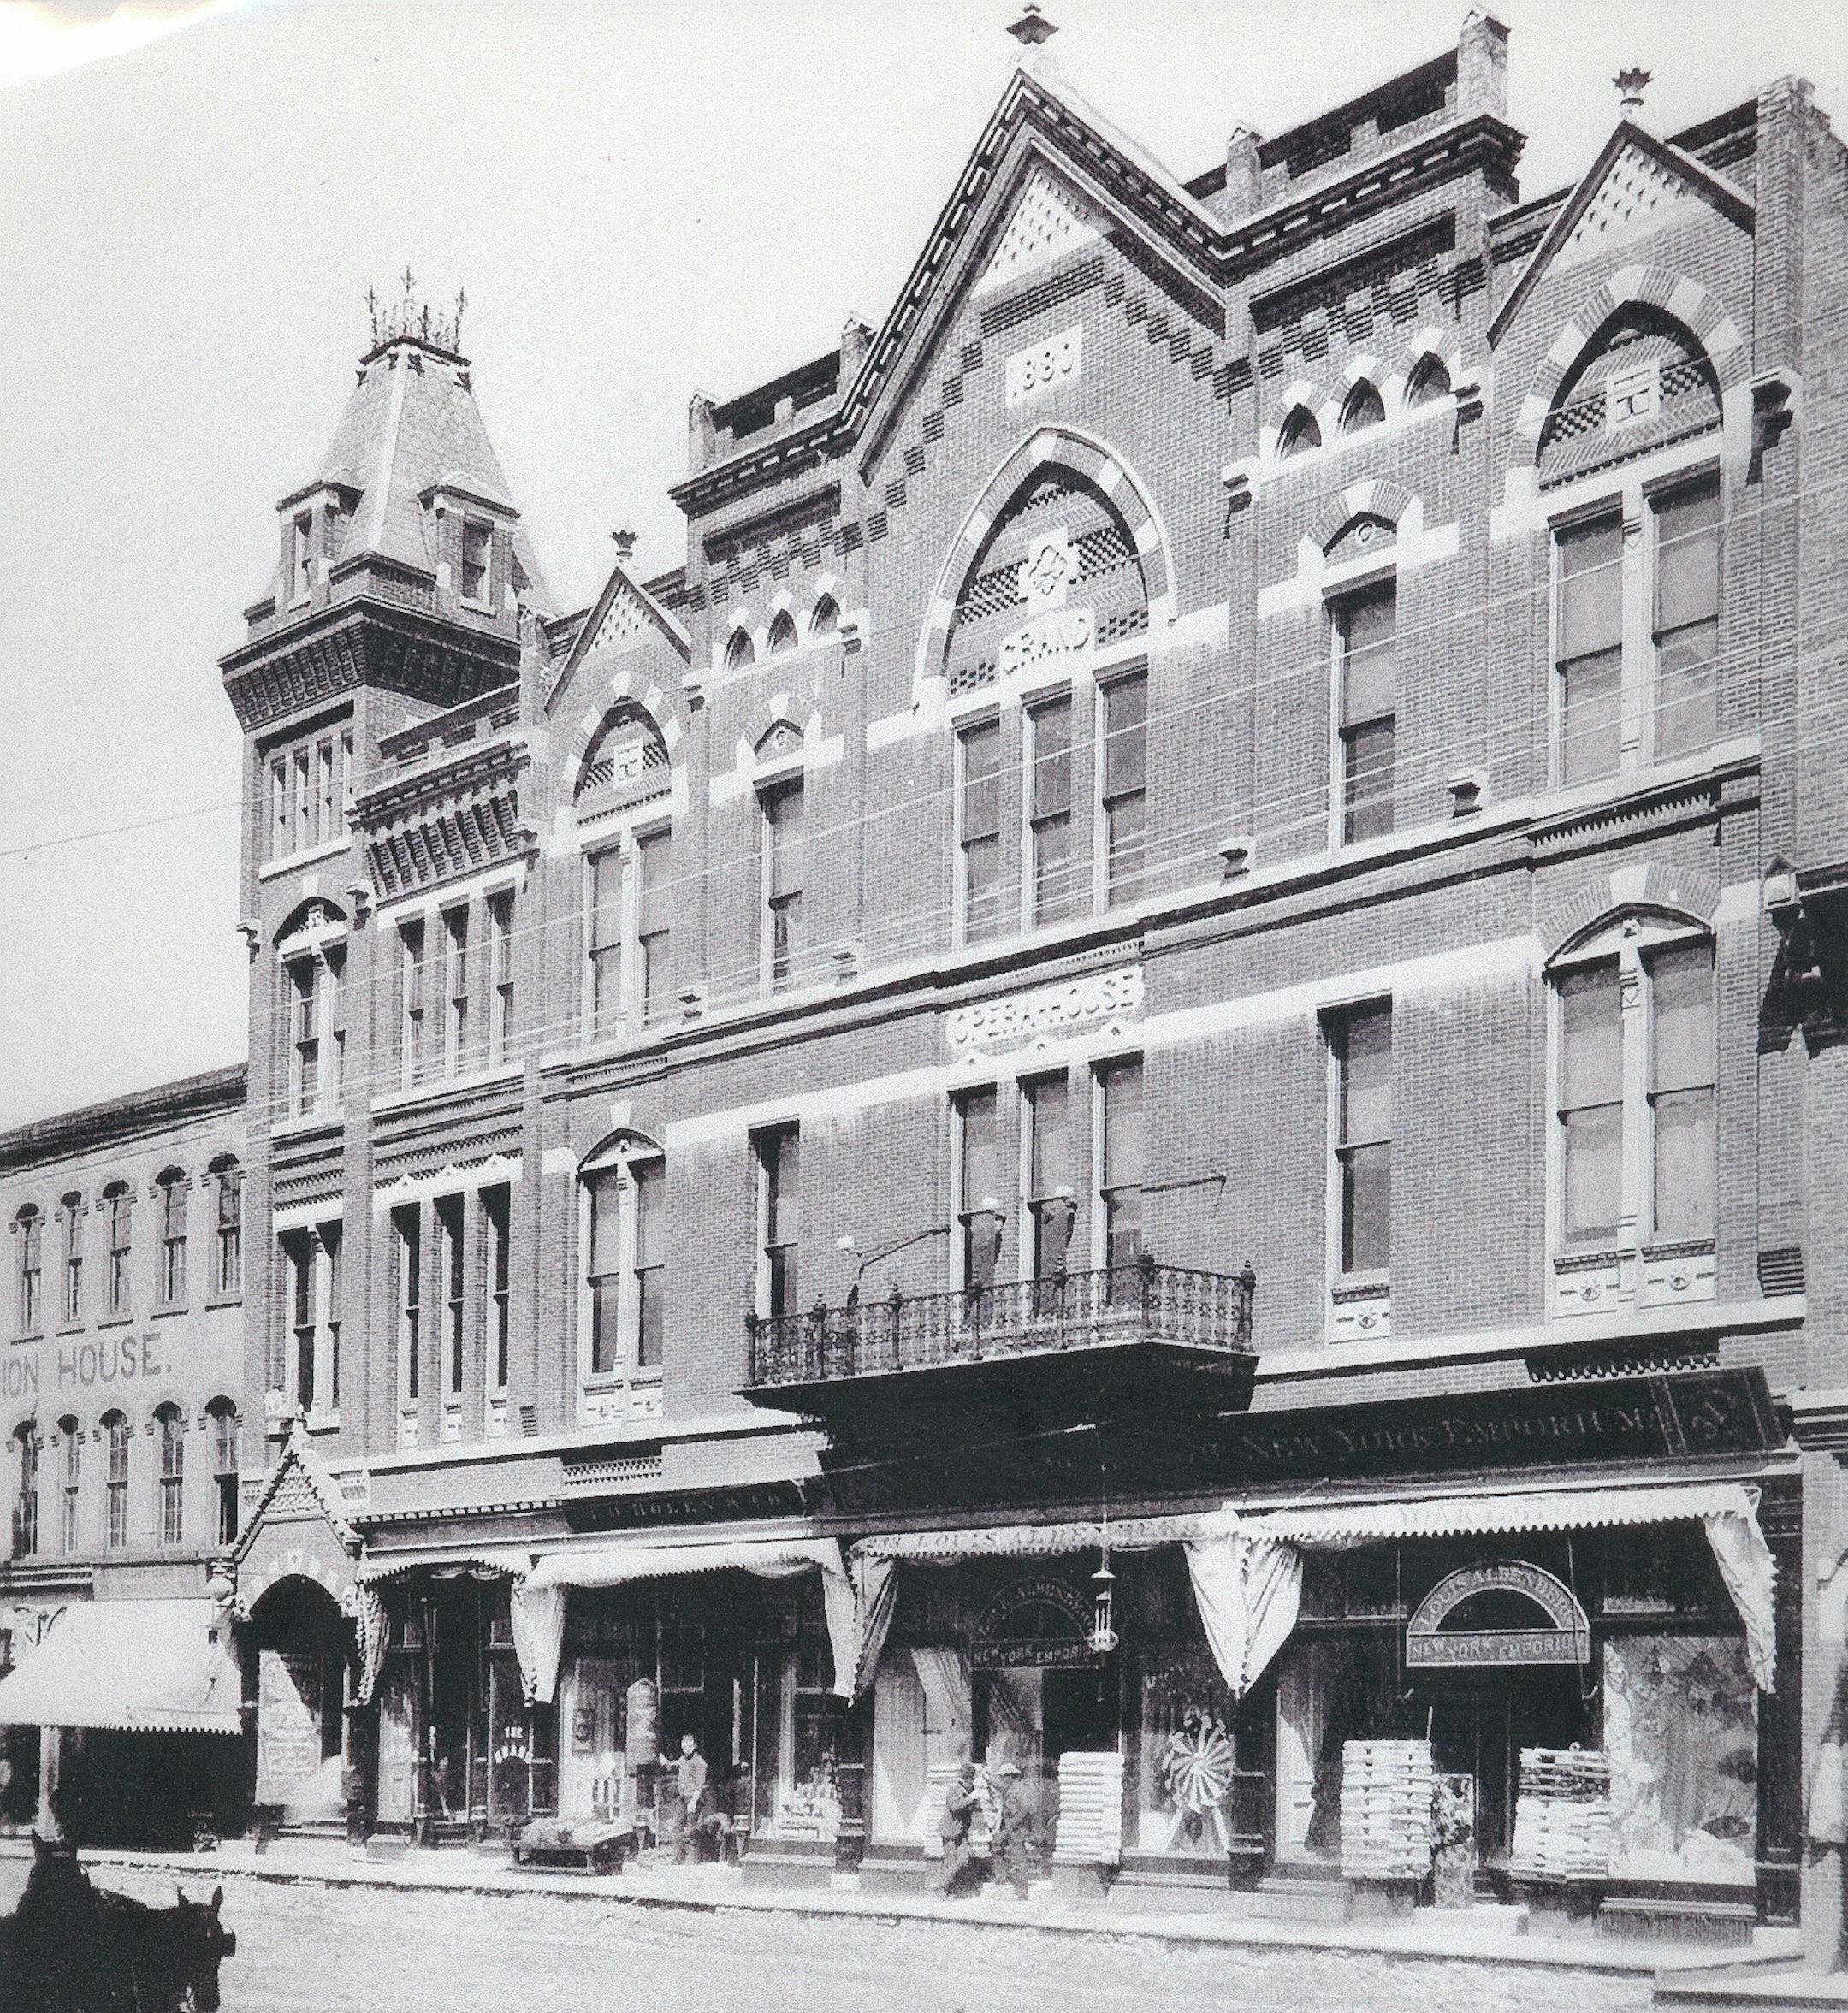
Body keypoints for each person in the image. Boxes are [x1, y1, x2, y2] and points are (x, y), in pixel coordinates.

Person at [989, 1761, 1034, 1901]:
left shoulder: (1019, 1789)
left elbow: (1025, 1808)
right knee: (996, 1845)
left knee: (1019, 1859)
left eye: (1004, 1776)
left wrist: (1013, 1822)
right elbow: (998, 1785)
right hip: (1009, 1827)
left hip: (1018, 1829)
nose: (1002, 1779)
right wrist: (987, 1777)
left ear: (1010, 1776)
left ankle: (1022, 1892)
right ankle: (1001, 1876)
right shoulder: (1010, 1787)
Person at [936, 1761, 981, 1897]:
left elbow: (971, 1808)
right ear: (966, 1776)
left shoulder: (970, 1789)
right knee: (950, 1860)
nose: (972, 1779)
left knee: (963, 1859)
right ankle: (944, 1890)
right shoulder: (954, 1788)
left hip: (962, 1831)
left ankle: (944, 1886)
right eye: (971, 1776)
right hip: (950, 1829)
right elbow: (954, 1806)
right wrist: (970, 1799)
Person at [672, 1732, 710, 1863]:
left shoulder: (700, 1763)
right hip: (682, 1797)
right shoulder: (683, 1759)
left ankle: (692, 1857)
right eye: (683, 1747)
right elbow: (676, 1764)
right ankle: (678, 1856)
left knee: (691, 1827)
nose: (686, 1750)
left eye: (689, 1747)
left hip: (693, 1798)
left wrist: (694, 1801)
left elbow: (700, 1784)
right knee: (677, 1825)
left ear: (694, 1746)